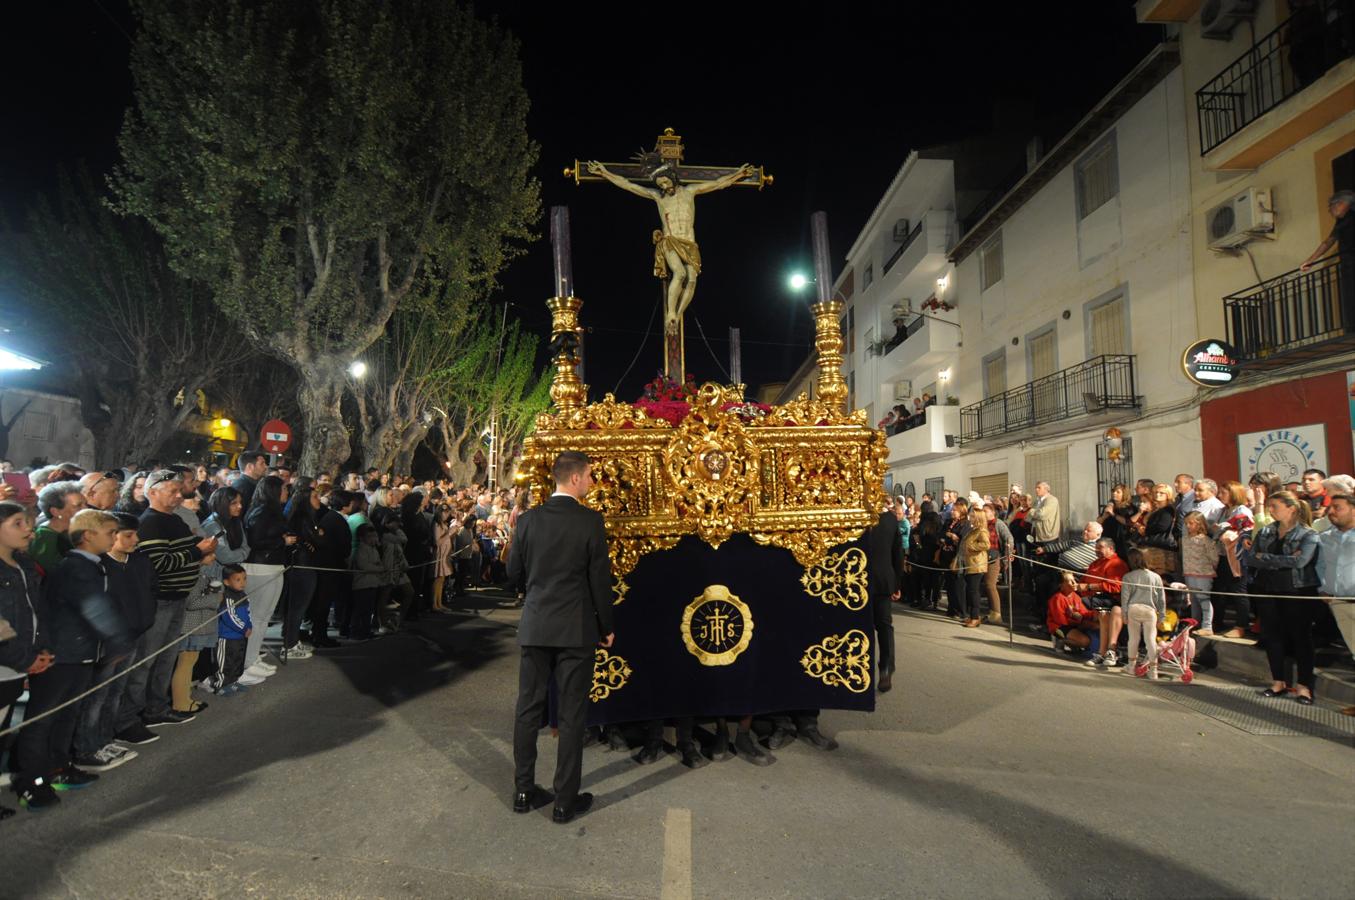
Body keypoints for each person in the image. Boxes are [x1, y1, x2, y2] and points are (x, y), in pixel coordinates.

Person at [508, 451, 615, 824]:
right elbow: (599, 581)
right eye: (589, 476)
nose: (591, 482)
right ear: (574, 479)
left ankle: (523, 790)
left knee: (527, 710)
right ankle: (564, 801)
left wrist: (533, 595)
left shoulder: (528, 520)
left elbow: (513, 572)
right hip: (576, 628)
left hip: (536, 625)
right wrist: (607, 626)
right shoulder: (589, 522)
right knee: (571, 716)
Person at [15, 509, 127, 800]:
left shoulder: (92, 564)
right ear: (88, 536)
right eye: (110, 533)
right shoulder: (76, 568)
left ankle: (57, 767)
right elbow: (93, 607)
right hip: (61, 654)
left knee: (67, 714)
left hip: (80, 652)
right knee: (43, 719)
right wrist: (116, 638)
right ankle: (32, 781)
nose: (115, 538)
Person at [113, 470, 215, 746]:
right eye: (172, 490)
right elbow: (160, 562)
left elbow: (183, 549)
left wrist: (199, 549)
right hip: (160, 600)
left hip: (177, 597)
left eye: (179, 490)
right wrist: (197, 552)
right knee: (146, 660)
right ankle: (131, 716)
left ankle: (156, 707)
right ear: (152, 492)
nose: (179, 494)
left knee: (166, 658)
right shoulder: (150, 523)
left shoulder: (175, 520)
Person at [1246, 491, 1322, 705]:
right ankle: (1278, 681)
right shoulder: (1266, 532)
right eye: (1269, 506)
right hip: (1267, 589)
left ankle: (1304, 687)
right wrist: (1283, 559)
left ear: (1292, 508)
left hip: (1297, 591)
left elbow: (1300, 562)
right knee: (1273, 636)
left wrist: (1266, 558)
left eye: (1275, 506)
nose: (1270, 510)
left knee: (1301, 638)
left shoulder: (1308, 534)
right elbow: (1251, 559)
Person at [0, 501, 51, 813]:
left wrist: (40, 649)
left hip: (18, 666)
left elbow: (35, 611)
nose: (28, 530)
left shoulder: (24, 565)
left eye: (28, 522)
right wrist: (24, 658)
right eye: (18, 523)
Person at [244, 475, 295, 662]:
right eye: (283, 489)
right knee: (257, 618)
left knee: (264, 617)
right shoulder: (262, 511)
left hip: (272, 566)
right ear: (274, 491)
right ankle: (247, 662)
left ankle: (253, 659)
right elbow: (255, 541)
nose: (287, 493)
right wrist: (281, 541)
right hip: (260, 568)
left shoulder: (272, 511)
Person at [1317, 493, 1355, 715]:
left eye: (1337, 508)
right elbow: (1320, 566)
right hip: (1338, 601)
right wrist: (1323, 588)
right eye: (1330, 508)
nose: (1331, 512)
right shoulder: (1326, 537)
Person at [1299, 191, 1354, 333]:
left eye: (1330, 207)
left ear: (1341, 203)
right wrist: (1310, 260)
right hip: (1349, 265)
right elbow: (1329, 241)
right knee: (1350, 295)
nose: (1330, 211)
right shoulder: (1341, 221)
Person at [863, 501, 903, 691]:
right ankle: (886, 668)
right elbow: (898, 554)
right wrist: (897, 583)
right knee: (884, 626)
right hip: (883, 579)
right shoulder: (890, 520)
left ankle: (864, 671)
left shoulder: (859, 517)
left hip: (859, 579)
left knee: (863, 628)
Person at [1120, 549, 1166, 679]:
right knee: (1150, 639)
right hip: (1150, 610)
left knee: (1133, 639)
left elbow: (1125, 598)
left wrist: (1124, 614)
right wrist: (1162, 615)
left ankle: (1131, 666)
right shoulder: (1156, 577)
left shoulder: (1128, 577)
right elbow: (1161, 598)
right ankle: (1153, 670)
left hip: (1133, 608)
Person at [210, 564, 252, 695]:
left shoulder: (243, 595)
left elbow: (248, 612)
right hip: (227, 637)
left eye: (244, 578)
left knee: (237, 660)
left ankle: (233, 681)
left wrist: (250, 625)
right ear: (227, 582)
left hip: (240, 636)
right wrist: (244, 628)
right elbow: (230, 617)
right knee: (225, 662)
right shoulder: (227, 598)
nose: (243, 583)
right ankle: (221, 685)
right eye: (238, 580)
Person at [31, 480, 85, 573]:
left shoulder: (76, 531)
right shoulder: (44, 537)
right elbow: (56, 572)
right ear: (55, 512)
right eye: (78, 506)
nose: (85, 509)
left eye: (85, 504)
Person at [1181, 511, 1221, 636]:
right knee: (1194, 600)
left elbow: (1214, 557)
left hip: (1203, 573)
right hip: (1189, 572)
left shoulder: (1205, 540)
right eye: (1186, 523)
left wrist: (1209, 567)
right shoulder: (1184, 539)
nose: (1188, 526)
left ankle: (1207, 626)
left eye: (1191, 523)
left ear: (1199, 524)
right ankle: (1194, 623)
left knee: (1204, 599)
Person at [953, 507, 989, 628]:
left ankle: (975, 617)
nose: (970, 518)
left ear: (978, 518)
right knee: (970, 591)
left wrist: (971, 546)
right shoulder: (972, 530)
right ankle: (973, 616)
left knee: (974, 592)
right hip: (969, 564)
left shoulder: (981, 530)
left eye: (973, 516)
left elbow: (986, 544)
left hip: (977, 565)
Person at [1047, 573, 1098, 654]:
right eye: (1070, 581)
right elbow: (1060, 621)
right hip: (1059, 627)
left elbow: (1083, 612)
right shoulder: (1057, 598)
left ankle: (1074, 643)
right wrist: (1075, 618)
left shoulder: (1075, 596)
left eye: (1074, 580)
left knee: (1094, 625)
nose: (1074, 583)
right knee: (1085, 642)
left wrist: (1094, 614)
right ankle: (1060, 640)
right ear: (1061, 585)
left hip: (1073, 624)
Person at [981, 502, 1013, 625]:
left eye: (986, 511)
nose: (984, 513)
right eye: (983, 511)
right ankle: (992, 613)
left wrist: (1007, 556)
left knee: (990, 585)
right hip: (983, 557)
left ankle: (997, 614)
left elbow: (1009, 538)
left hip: (995, 557)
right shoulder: (982, 524)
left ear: (993, 512)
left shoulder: (998, 523)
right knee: (986, 585)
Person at [431, 504, 456, 613]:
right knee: (437, 579)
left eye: (448, 512)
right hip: (439, 554)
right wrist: (449, 532)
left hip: (445, 554)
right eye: (444, 512)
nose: (446, 515)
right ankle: (434, 604)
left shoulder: (443, 523)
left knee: (442, 579)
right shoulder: (437, 524)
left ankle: (439, 603)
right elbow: (438, 541)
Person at [1028, 481, 1061, 548]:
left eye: (1039, 488)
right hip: (1037, 534)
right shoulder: (1037, 501)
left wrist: (1031, 511)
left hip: (1048, 537)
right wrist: (1034, 513)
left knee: (1049, 557)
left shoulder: (1052, 500)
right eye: (1036, 488)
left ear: (1046, 489)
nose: (1036, 489)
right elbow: (1029, 517)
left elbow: (1042, 514)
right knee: (1037, 557)